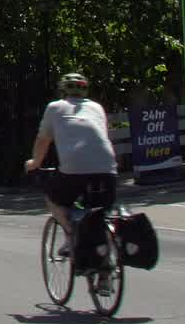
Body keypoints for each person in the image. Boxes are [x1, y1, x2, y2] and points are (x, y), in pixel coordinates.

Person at [23, 72, 118, 239]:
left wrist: (35, 162)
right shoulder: (97, 108)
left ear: (62, 90)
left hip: (74, 169)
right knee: (100, 211)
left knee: (53, 199)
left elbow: (43, 139)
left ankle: (71, 233)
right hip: (108, 169)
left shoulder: (55, 107)